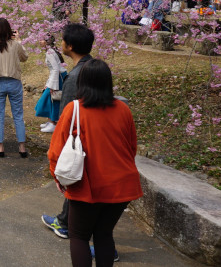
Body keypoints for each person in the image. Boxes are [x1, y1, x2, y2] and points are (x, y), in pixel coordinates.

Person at [48, 59, 142, 266]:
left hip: (87, 185)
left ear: (82, 82)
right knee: (104, 234)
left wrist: (58, 176)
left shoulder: (74, 109)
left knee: (79, 235)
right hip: (121, 184)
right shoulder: (123, 110)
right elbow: (131, 147)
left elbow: (56, 150)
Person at [42, 22, 94, 240]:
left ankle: (65, 223)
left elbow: (67, 115)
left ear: (70, 46)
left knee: (74, 178)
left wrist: (60, 143)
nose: (60, 42)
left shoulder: (75, 77)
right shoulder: (95, 67)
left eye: (63, 40)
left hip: (79, 137)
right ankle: (65, 220)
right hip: (93, 134)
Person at [0, 18, 29, 158]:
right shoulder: (14, 45)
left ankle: (0, 147)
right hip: (14, 82)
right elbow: (25, 57)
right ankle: (22, 147)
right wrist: (19, 40)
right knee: (18, 115)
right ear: (9, 30)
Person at [36, 35, 66, 134]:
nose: (40, 41)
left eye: (42, 39)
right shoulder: (51, 51)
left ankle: (53, 123)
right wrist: (48, 83)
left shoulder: (50, 52)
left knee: (53, 99)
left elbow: (55, 69)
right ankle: (50, 121)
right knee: (50, 99)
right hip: (57, 77)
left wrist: (52, 85)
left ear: (48, 41)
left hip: (58, 78)